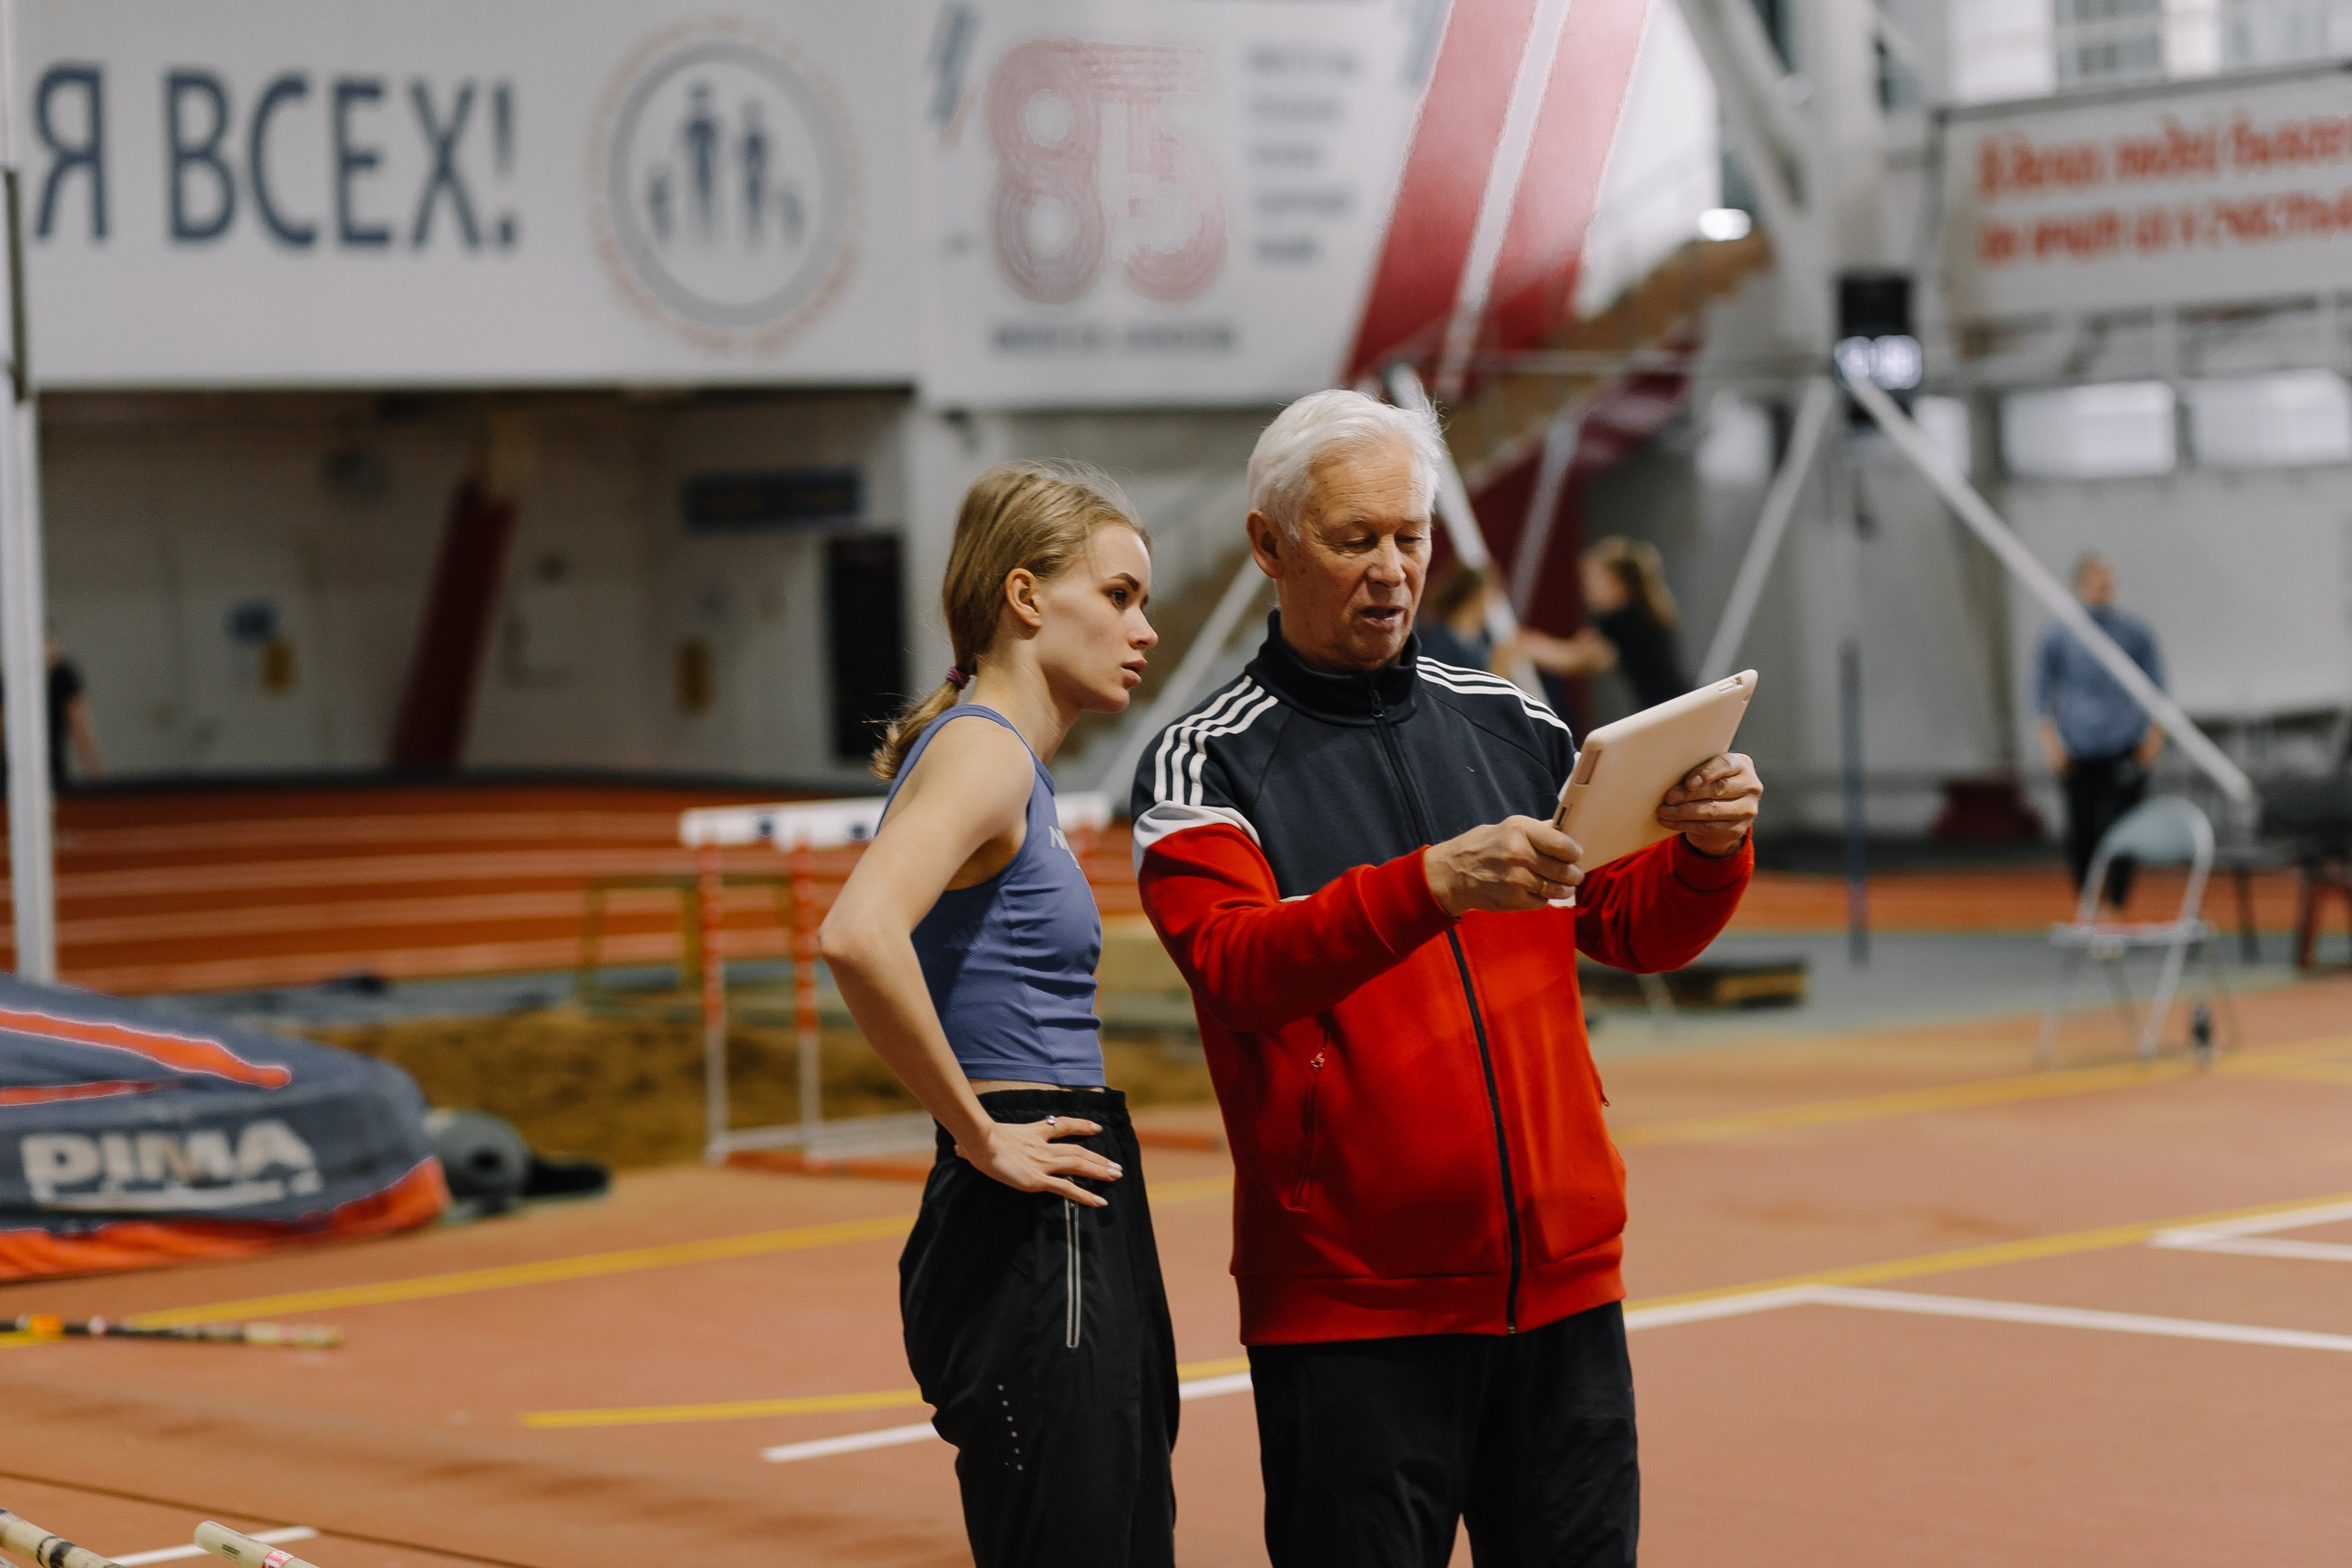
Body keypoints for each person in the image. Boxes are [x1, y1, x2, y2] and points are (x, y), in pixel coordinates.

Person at [1128, 389, 1762, 1567]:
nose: (1391, 571)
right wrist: (1425, 885)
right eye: (1353, 539)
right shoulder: (1203, 760)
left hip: (1564, 1292)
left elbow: (1627, 925)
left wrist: (1710, 848)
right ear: (1270, 546)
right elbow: (1234, 967)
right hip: (1354, 1315)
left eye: (1410, 537)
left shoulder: (1511, 722)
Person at [819, 460, 1176, 1568]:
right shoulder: (980, 751)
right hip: (1032, 1201)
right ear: (1026, 597)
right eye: (1118, 596)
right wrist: (977, 1129)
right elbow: (856, 932)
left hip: (1063, 1187)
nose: (1146, 629)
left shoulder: (1006, 763)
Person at [2035, 552, 2165, 908]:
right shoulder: (2059, 634)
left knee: (2124, 827)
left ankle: (2119, 900)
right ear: (2079, 585)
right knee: (2082, 828)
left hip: (2124, 743)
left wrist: (2154, 740)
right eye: (2095, 580)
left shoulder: (2134, 632)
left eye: (2108, 580)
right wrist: (2050, 742)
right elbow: (2040, 691)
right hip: (2078, 745)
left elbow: (2158, 690)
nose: (2103, 587)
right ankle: (2088, 899)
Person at [49, 633, 103, 789]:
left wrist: (96, 775)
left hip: (54, 771)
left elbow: (80, 728)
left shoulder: (63, 677)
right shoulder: (11, 677)